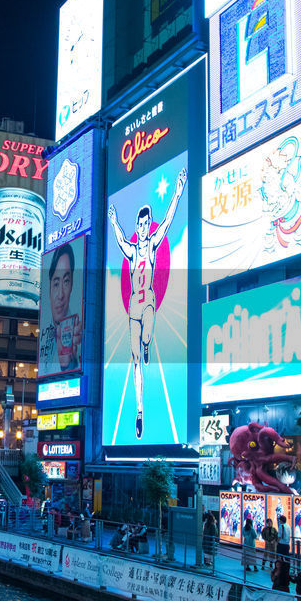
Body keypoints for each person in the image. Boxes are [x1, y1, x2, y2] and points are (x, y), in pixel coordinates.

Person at [106, 166, 187, 438]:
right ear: (136, 227)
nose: (142, 228)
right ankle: (139, 411)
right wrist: (114, 221)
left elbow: (168, 220)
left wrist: (178, 191)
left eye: (145, 223)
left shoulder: (151, 246)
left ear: (148, 224)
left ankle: (146, 342)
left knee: (146, 336)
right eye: (139, 225)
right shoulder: (131, 250)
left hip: (149, 303)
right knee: (135, 361)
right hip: (133, 309)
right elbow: (118, 239)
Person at [39, 242, 81, 376]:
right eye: (56, 284)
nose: (61, 295)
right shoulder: (44, 333)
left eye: (66, 281)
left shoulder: (78, 335)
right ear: (49, 287)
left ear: (72, 284)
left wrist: (71, 366)